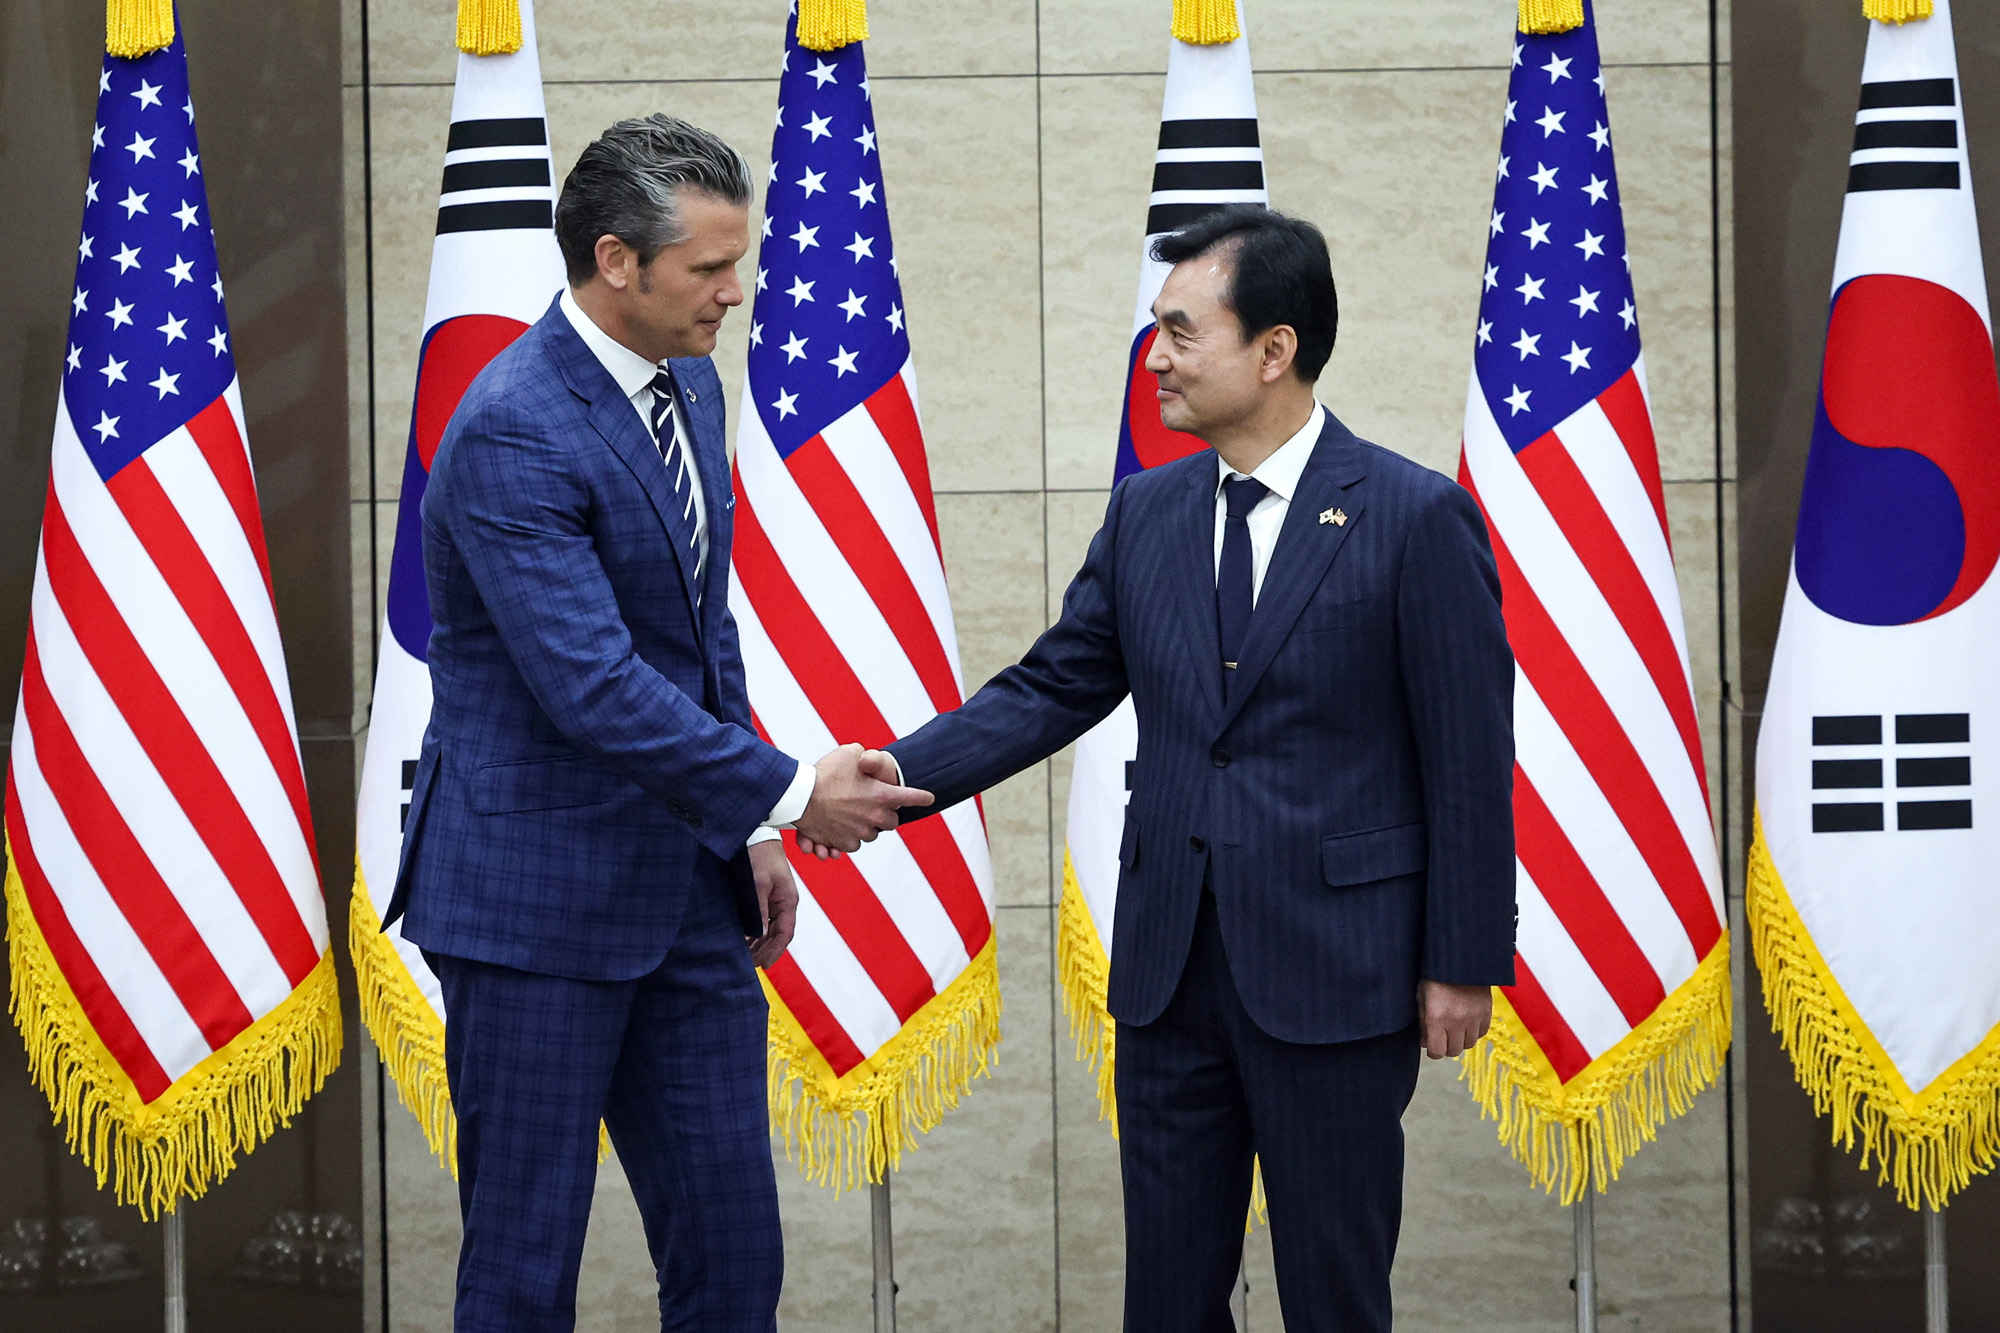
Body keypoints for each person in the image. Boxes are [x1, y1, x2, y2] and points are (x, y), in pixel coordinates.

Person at [846, 206, 1516, 1331]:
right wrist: (889, 777)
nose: (1152, 357)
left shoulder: (1413, 517)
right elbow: (1049, 687)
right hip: (1168, 974)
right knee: (1165, 1298)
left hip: (1336, 972)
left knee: (1334, 1295)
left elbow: (1468, 756)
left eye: (1178, 331)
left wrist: (1461, 958)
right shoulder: (1146, 513)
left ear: (1274, 348)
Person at [383, 115, 930, 1332]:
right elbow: (592, 683)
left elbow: (698, 633)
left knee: (734, 1260)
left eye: (738, 264)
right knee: (522, 1273)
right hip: (532, 911)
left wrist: (750, 831)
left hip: (685, 892)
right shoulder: (514, 423)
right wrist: (794, 789)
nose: (733, 293)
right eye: (708, 268)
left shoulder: (687, 378)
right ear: (616, 260)